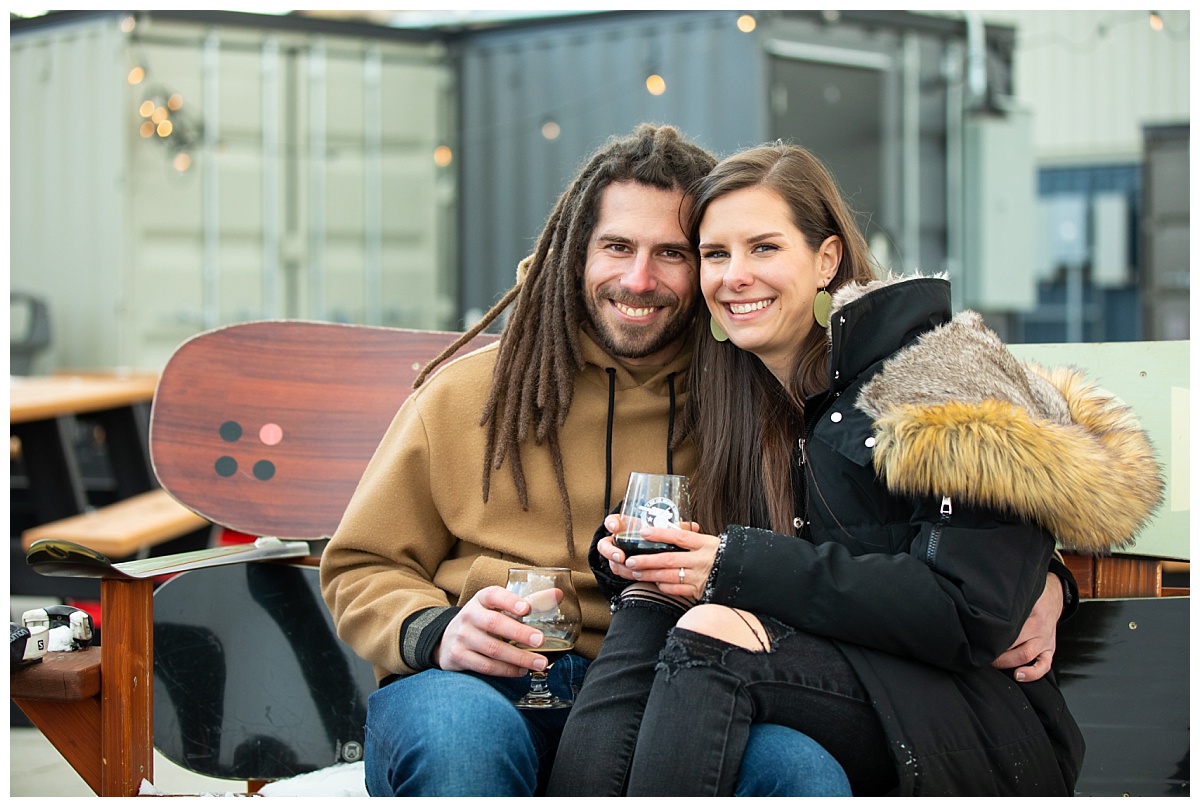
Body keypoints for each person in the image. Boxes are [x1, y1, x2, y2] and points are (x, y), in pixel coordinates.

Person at [321, 125, 1070, 797]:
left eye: (674, 254)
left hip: (672, 679)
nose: (639, 280)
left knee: (797, 773)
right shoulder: (470, 392)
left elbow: (931, 510)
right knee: (461, 743)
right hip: (483, 682)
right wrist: (436, 629)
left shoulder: (746, 386)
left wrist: (1046, 578)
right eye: (617, 246)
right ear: (575, 249)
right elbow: (359, 564)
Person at [547, 143, 1163, 796]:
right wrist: (642, 556)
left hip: (970, 717)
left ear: (826, 258)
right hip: (828, 675)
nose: (735, 276)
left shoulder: (932, 382)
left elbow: (967, 610)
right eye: (716, 254)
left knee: (709, 634)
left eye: (764, 247)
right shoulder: (740, 395)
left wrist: (732, 564)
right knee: (651, 601)